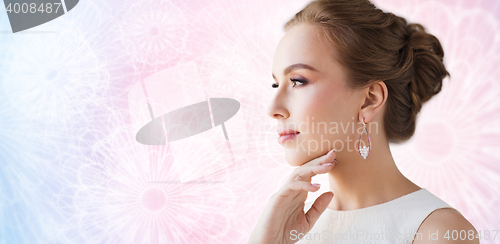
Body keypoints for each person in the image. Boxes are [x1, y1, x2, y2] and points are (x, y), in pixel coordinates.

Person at [247, 0, 479, 243]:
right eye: (276, 84)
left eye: (298, 81)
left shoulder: (437, 233)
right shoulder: (286, 230)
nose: (273, 109)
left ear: (369, 99)